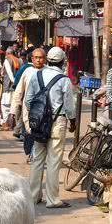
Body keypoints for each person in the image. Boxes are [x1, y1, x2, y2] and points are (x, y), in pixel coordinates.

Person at [25, 47, 77, 208]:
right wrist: (73, 121)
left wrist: (37, 115)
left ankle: (33, 196)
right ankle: (52, 199)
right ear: (62, 62)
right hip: (57, 122)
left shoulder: (37, 75)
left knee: (37, 160)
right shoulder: (64, 79)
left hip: (39, 124)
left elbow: (28, 101)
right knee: (54, 161)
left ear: (47, 60)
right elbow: (69, 105)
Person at [10, 47, 46, 163]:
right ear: (32, 59)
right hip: (29, 109)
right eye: (36, 58)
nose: (38, 60)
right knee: (29, 133)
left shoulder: (49, 73)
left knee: (41, 133)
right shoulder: (27, 72)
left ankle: (36, 155)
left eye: (41, 58)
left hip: (44, 109)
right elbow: (18, 91)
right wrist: (13, 111)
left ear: (45, 59)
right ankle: (31, 153)